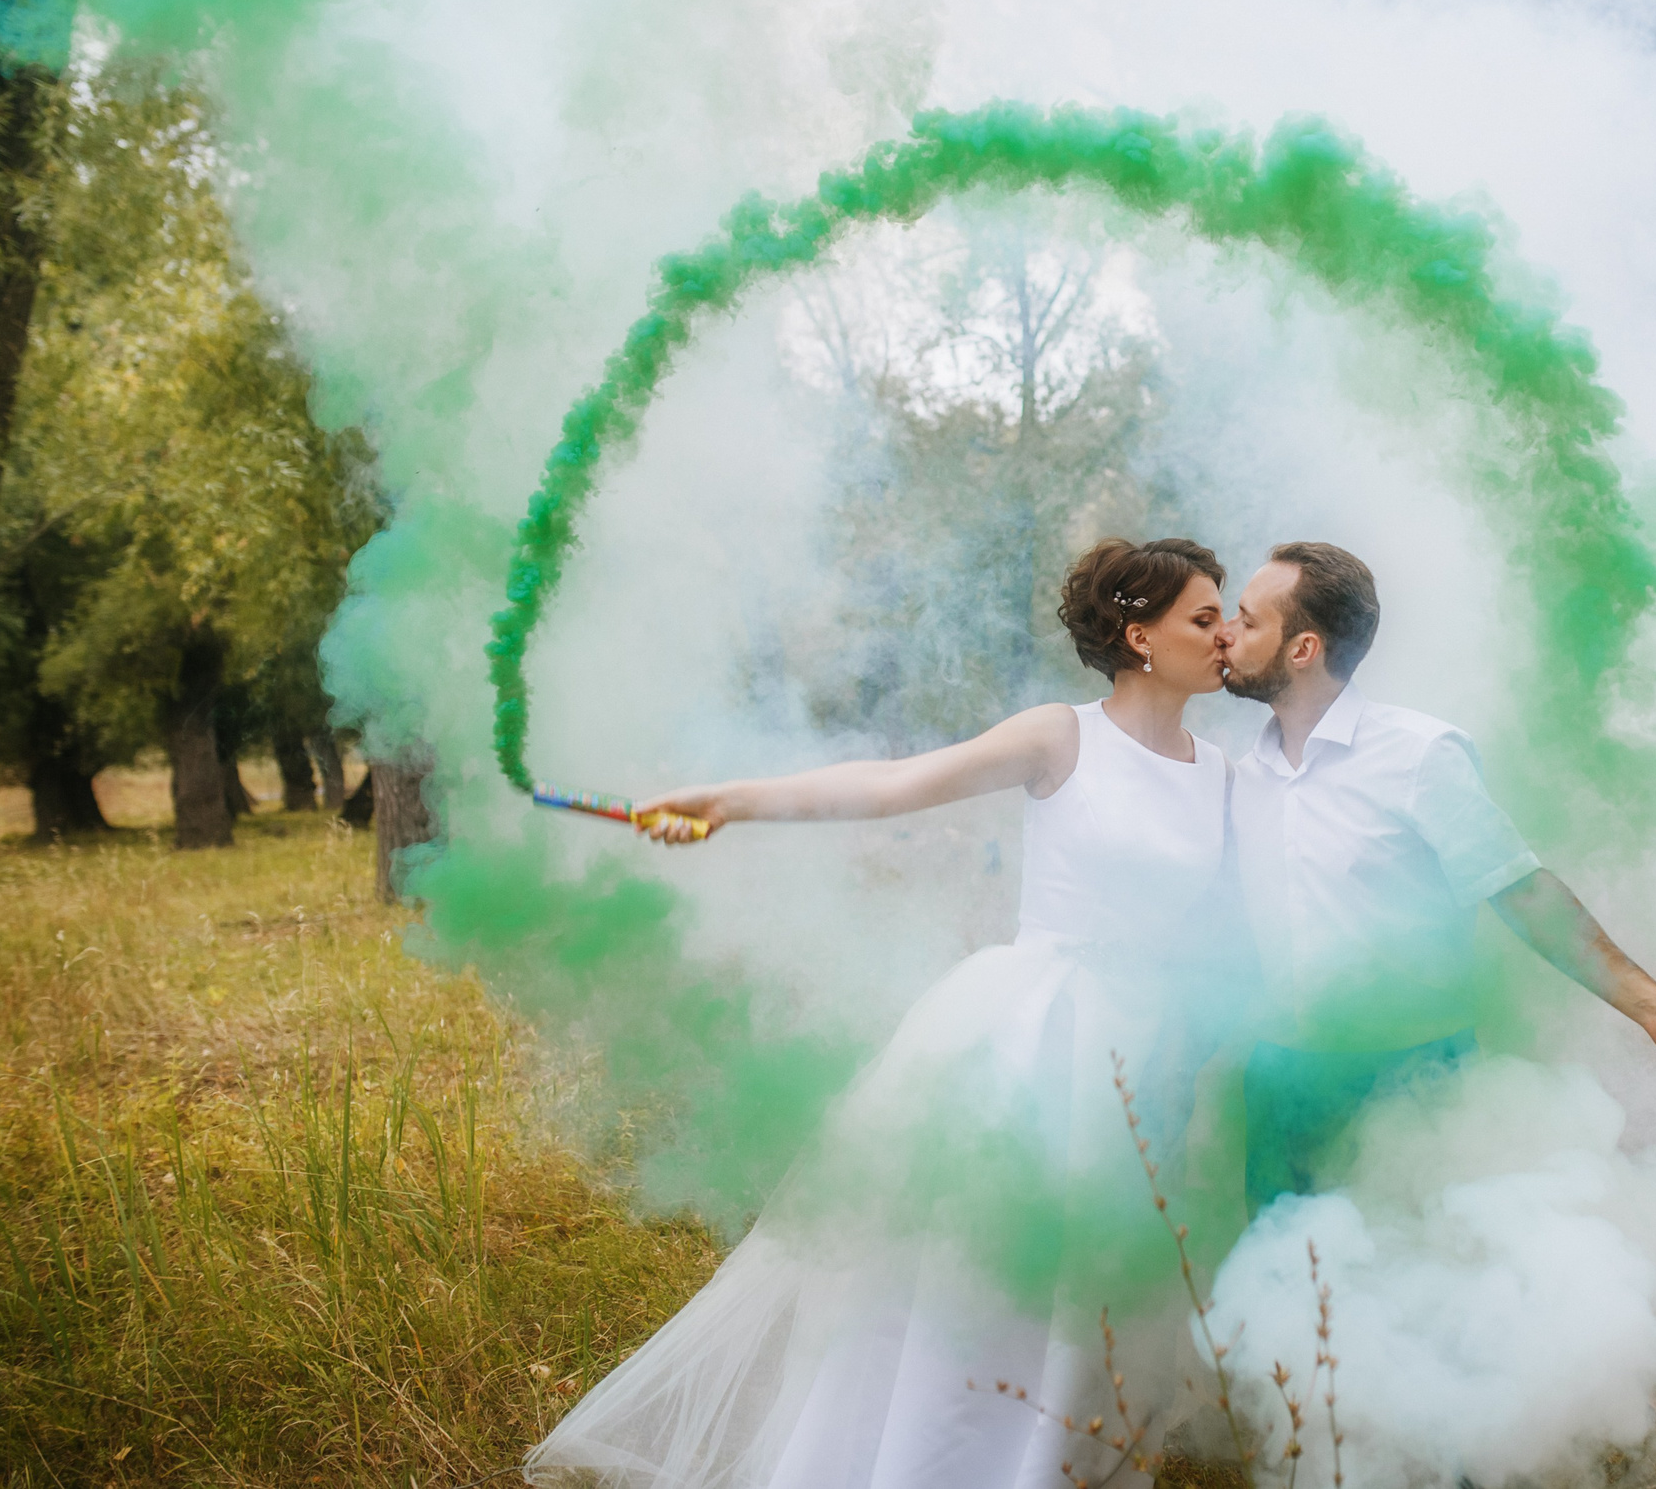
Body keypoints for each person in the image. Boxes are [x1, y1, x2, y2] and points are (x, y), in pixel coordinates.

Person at [530, 538, 1245, 1489]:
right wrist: (728, 800)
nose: (1226, 634)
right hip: (1041, 1038)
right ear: (1139, 636)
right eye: (1205, 617)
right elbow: (892, 783)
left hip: (1152, 1053)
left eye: (1228, 615)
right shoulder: (1062, 736)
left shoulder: (1222, 770)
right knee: (982, 1274)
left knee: (1098, 1288)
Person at [1217, 541, 1656, 1209]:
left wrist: (1651, 1006)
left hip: (1408, 1080)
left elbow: (1522, 892)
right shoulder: (1240, 773)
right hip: (1280, 1081)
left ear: (1303, 649)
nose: (1226, 632)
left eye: (1247, 620)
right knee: (1283, 1269)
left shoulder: (1419, 754)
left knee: (1415, 1264)